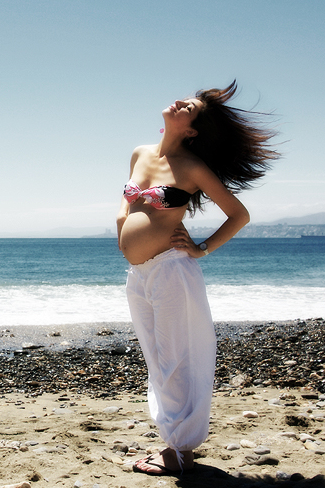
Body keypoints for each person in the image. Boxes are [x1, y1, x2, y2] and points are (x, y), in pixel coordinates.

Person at [116, 81, 280, 475]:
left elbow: (239, 215)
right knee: (157, 360)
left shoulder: (192, 168)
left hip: (173, 270)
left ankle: (181, 451)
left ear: (192, 130)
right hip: (140, 273)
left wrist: (201, 248)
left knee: (179, 358)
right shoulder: (140, 153)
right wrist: (125, 225)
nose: (178, 103)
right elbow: (126, 206)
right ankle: (172, 442)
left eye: (188, 108)